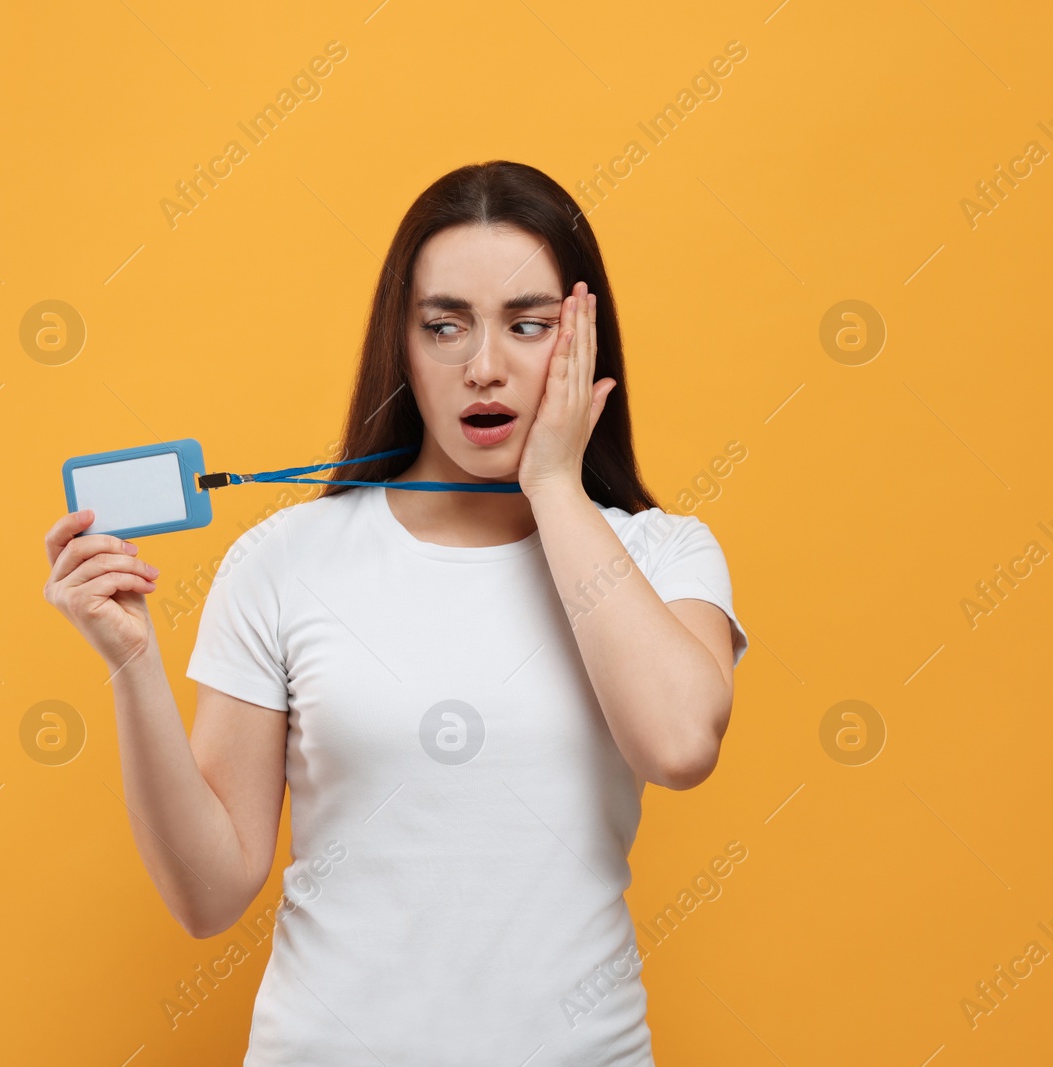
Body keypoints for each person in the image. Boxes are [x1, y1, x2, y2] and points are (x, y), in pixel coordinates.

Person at [43, 160, 748, 1066]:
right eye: (445, 326)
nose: (484, 367)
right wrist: (132, 666)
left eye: (528, 326)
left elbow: (681, 744)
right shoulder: (284, 559)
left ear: (584, 343)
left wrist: (552, 484)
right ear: (403, 345)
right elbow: (208, 893)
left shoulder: (661, 555)